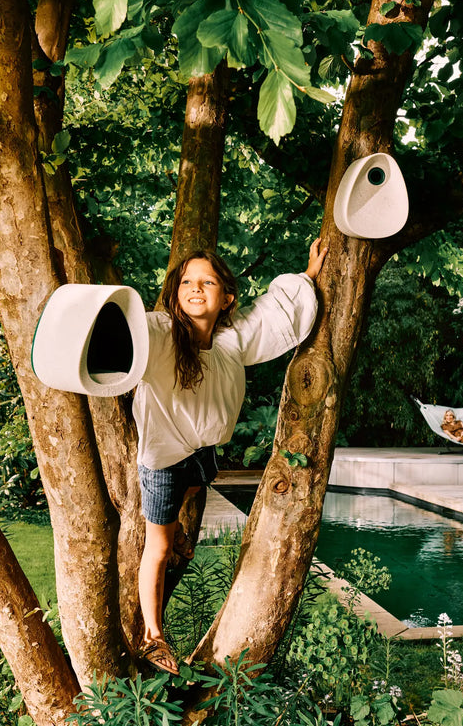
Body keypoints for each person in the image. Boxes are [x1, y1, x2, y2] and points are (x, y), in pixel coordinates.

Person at [132, 239, 328, 674]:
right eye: (186, 281)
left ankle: (179, 525)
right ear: (174, 292)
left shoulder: (230, 341)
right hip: (163, 459)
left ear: (227, 297)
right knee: (159, 546)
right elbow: (131, 332)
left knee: (199, 485)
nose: (195, 288)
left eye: (208, 281)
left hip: (200, 452)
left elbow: (270, 316)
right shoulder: (162, 333)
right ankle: (153, 635)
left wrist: (308, 278)